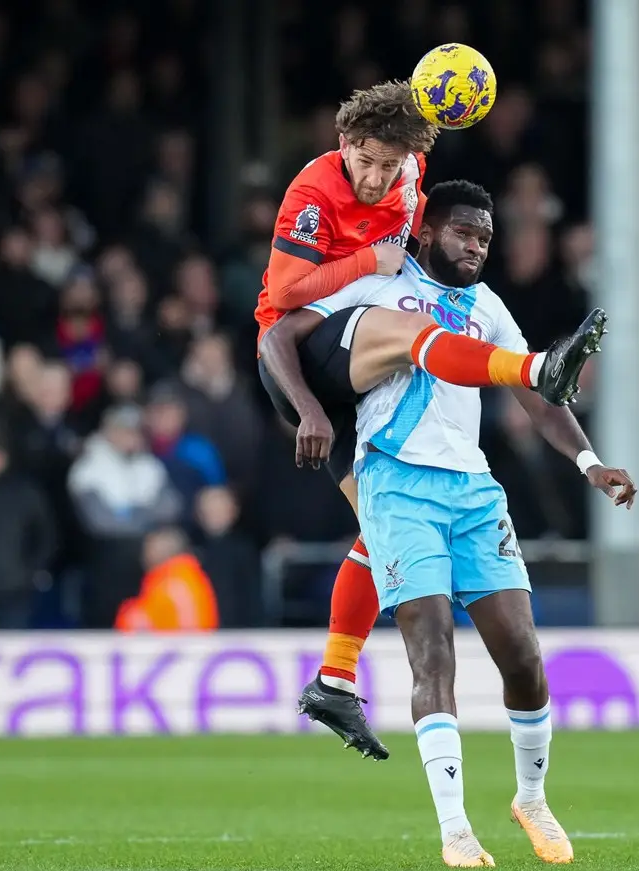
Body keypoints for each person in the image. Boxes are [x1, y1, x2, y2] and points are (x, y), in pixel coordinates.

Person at [293, 180, 637, 867]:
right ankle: (454, 829)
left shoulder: (486, 307)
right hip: (395, 480)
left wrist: (590, 463)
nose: (476, 247)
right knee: (432, 651)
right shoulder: (378, 285)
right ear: (425, 232)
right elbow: (287, 330)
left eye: (484, 238)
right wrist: (304, 405)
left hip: (475, 492)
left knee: (524, 660)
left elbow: (538, 396)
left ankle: (530, 798)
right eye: (463, 233)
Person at [256, 82, 597, 759]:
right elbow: (280, 298)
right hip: (300, 353)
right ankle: (531, 368)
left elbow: (425, 214)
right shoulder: (312, 192)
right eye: (368, 164)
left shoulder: (409, 173)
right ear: (343, 144)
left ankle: (332, 677)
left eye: (393, 165)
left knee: (378, 525)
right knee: (412, 328)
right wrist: (363, 268)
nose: (379, 179)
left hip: (360, 356)